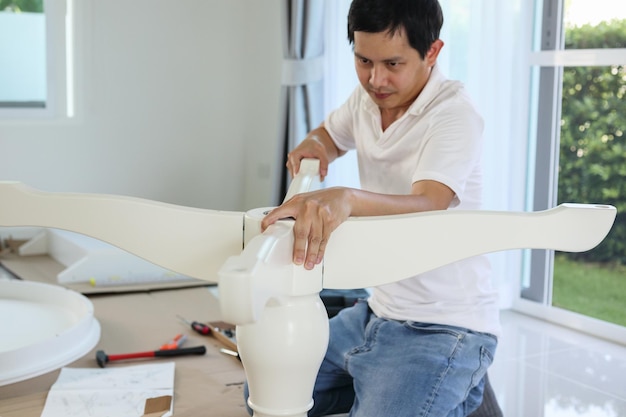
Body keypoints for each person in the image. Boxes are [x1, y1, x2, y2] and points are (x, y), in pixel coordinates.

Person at [255, 0, 503, 415]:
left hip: (446, 325)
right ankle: (401, 385)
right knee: (265, 388)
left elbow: (430, 203)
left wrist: (346, 199)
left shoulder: (454, 114)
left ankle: (453, 385)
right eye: (363, 60)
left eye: (392, 63)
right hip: (377, 312)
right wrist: (315, 147)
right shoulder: (366, 100)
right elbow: (329, 136)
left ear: (432, 52)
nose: (376, 79)